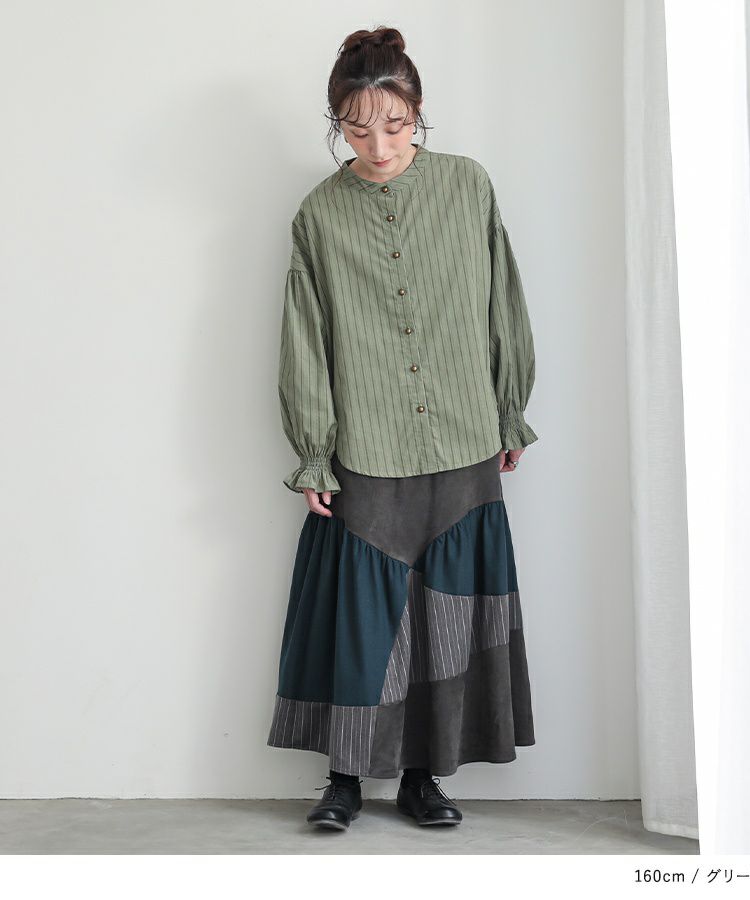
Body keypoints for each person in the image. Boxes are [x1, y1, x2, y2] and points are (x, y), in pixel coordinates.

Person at [266, 25, 539, 832]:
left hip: (464, 432)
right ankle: (345, 780)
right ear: (336, 124)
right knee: (363, 615)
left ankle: (424, 777)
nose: (379, 146)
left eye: (395, 125)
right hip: (368, 443)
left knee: (445, 613)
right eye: (358, 129)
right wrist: (315, 451)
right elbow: (306, 337)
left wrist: (509, 407)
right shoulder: (320, 214)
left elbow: (502, 301)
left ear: (418, 113)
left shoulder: (467, 186)